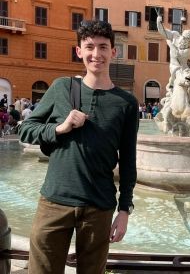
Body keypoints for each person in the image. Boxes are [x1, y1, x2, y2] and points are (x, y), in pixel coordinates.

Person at [19, 20, 139, 274]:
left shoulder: (127, 103)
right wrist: (58, 129)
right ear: (79, 51)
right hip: (54, 201)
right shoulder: (62, 87)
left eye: (103, 47)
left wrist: (125, 210)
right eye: (90, 47)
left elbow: (128, 160)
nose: (97, 54)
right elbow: (25, 130)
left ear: (113, 52)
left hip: (99, 206)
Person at [156, 15, 190, 91]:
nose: (187, 43)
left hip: (183, 66)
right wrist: (159, 22)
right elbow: (163, 31)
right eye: (186, 40)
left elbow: (176, 54)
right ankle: (171, 85)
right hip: (175, 64)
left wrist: (170, 44)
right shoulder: (175, 35)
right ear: (183, 37)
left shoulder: (188, 50)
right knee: (177, 73)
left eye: (189, 42)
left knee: (187, 77)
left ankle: (186, 92)